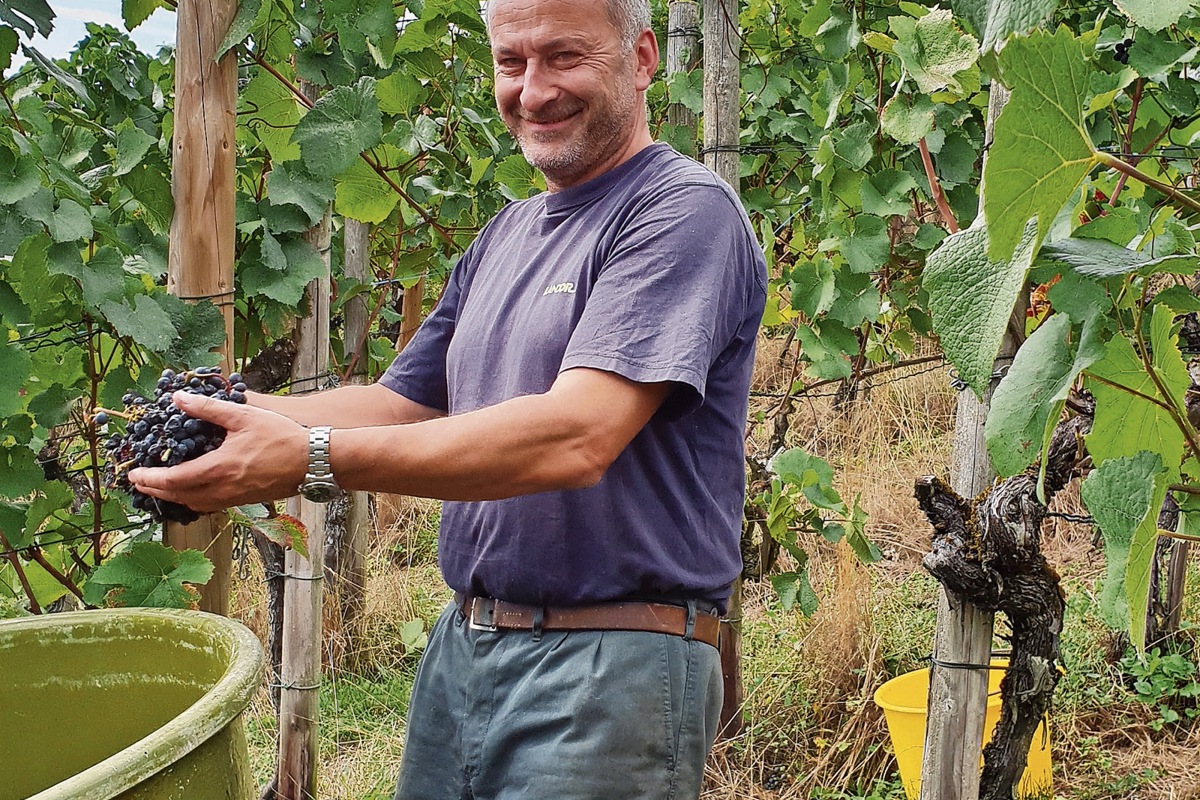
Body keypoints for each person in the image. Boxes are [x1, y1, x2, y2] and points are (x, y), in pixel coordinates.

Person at [130, 0, 767, 796]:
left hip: (611, 669)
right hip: (466, 649)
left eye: (564, 56)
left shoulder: (680, 212)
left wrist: (311, 459)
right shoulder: (507, 234)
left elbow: (578, 436)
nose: (533, 91)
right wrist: (210, 420)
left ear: (641, 59)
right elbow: (400, 404)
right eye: (511, 62)